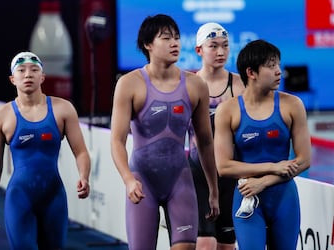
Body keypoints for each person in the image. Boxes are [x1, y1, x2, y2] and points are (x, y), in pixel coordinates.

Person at [110, 14, 219, 250]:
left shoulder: (195, 85)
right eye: (167, 38)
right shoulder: (129, 84)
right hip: (142, 181)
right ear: (148, 44)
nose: (175, 43)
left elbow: (205, 142)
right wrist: (128, 179)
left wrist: (213, 188)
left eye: (178, 38)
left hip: (179, 180)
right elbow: (117, 141)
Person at [0, 51, 91, 249]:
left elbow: (81, 152)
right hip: (20, 197)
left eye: (34, 70)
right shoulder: (1, 116)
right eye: (21, 70)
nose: (28, 74)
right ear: (12, 79)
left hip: (54, 197)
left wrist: (84, 176)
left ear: (42, 77)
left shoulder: (63, 109)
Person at [214, 39, 311, 250]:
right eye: (271, 65)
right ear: (251, 72)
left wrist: (264, 181)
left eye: (278, 64)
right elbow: (224, 167)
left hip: (283, 198)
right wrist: (273, 166)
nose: (279, 71)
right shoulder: (228, 111)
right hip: (247, 196)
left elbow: (304, 160)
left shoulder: (292, 105)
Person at [188, 22, 245, 250]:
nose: (221, 52)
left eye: (225, 46)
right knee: (203, 244)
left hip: (229, 175)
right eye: (213, 46)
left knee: (227, 245)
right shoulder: (188, 84)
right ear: (199, 50)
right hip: (197, 172)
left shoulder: (240, 85)